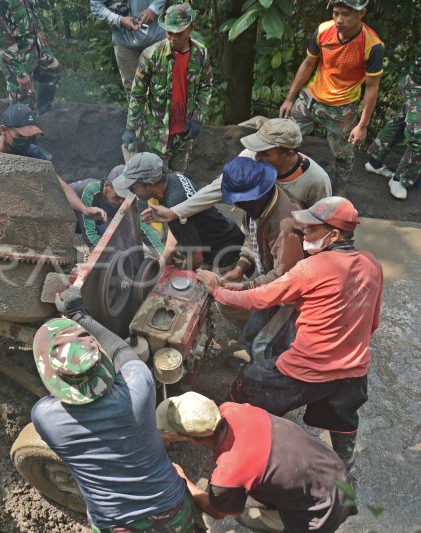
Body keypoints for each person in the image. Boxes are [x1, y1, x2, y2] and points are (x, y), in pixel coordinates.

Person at [196, 196, 382, 476]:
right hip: (354, 370)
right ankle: (345, 471)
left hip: (307, 367)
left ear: (333, 234)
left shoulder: (311, 268)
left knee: (249, 381)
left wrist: (218, 291)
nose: (304, 233)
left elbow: (258, 299)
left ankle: (229, 441)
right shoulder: (371, 264)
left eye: (311, 229)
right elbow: (373, 322)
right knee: (342, 419)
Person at [30, 286, 204, 532]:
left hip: (117, 525)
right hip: (173, 511)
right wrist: (80, 316)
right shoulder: (138, 388)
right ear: (100, 363)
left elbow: (52, 396)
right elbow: (122, 351)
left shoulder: (45, 417)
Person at [157, 392, 356, 532]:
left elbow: (217, 513)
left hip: (325, 507)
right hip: (332, 468)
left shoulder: (228, 473)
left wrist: (184, 482)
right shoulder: (233, 409)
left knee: (233, 507)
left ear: (192, 439)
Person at [278, 0, 384, 195]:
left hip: (342, 108)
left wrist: (362, 125)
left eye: (346, 14)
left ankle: (338, 194)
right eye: (336, 13)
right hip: (310, 98)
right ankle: (279, 183)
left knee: (343, 155)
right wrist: (290, 98)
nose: (339, 19)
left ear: (361, 14)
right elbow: (308, 63)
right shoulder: (323, 31)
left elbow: (372, 87)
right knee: (284, 140)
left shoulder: (373, 45)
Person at [143, 118, 332, 225]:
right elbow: (218, 188)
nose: (257, 157)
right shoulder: (251, 155)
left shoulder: (316, 180)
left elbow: (319, 223)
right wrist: (174, 212)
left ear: (288, 153)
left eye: (265, 153)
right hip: (254, 231)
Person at [216, 157, 304, 359]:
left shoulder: (284, 224)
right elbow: (251, 236)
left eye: (238, 200)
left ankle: (269, 375)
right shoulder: (256, 209)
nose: (236, 205)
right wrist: (240, 268)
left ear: (253, 197)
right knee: (253, 332)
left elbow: (285, 277)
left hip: (289, 294)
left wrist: (246, 288)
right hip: (271, 280)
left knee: (264, 342)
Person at [0, 103, 107, 222]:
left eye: (30, 136)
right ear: (3, 130)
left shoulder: (32, 153)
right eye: (20, 135)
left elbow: (56, 183)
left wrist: (84, 209)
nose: (25, 140)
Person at [112, 152, 243, 270]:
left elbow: (196, 257)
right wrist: (167, 253)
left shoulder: (174, 205)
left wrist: (183, 275)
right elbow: (185, 228)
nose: (131, 192)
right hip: (227, 231)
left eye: (133, 188)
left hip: (224, 255)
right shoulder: (174, 178)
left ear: (150, 184)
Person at [123, 3, 211, 172]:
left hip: (184, 131)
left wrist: (197, 119)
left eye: (178, 33)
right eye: (169, 32)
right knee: (154, 180)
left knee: (178, 179)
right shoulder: (151, 55)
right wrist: (131, 128)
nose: (173, 37)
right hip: (157, 131)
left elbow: (206, 87)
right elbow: (138, 93)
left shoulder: (201, 54)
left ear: (191, 27)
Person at [0, 0, 62, 114]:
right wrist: (20, 72)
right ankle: (23, 123)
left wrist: (39, 30)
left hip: (33, 45)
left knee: (53, 69)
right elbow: (3, 41)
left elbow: (32, 8)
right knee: (24, 105)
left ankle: (44, 109)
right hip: (14, 55)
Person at [364, 53, 421, 200]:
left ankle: (374, 161)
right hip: (418, 87)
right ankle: (400, 180)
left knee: (400, 121)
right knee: (418, 138)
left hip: (413, 82)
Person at [70, 165, 163, 252]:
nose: (122, 202)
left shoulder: (124, 200)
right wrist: (114, 255)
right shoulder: (89, 191)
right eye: (119, 196)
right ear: (106, 186)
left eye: (125, 197)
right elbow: (90, 237)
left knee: (114, 243)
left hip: (94, 223)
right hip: (63, 218)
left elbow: (142, 227)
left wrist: (162, 253)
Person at [90, 0, 166, 92]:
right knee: (132, 89)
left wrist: (153, 9)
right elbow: (96, 6)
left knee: (162, 87)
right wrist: (119, 20)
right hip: (124, 41)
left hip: (156, 37)